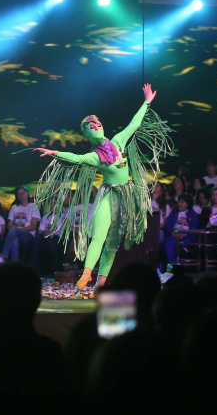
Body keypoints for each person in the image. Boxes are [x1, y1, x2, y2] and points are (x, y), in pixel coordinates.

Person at [33, 84, 172, 289]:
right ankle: (87, 272)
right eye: (91, 126)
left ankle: (101, 283)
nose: (95, 126)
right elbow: (77, 158)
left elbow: (134, 124)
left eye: (97, 124)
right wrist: (55, 153)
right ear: (87, 134)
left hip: (125, 197)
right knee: (98, 235)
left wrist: (147, 102)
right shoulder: (95, 156)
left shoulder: (118, 142)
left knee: (112, 244)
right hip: (107, 194)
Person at [0, 185, 40, 267]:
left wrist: (18, 230)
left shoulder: (33, 206)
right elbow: (9, 225)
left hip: (29, 236)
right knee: (14, 239)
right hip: (15, 234)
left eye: (23, 193)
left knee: (14, 232)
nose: (22, 195)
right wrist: (13, 228)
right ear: (17, 196)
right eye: (19, 194)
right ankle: (15, 267)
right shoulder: (14, 207)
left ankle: (2, 257)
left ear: (27, 194)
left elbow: (33, 226)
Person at [163, 193, 200, 266]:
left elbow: (194, 228)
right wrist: (172, 232)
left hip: (187, 236)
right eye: (179, 201)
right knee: (168, 242)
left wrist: (185, 234)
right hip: (174, 235)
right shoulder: (174, 212)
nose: (179, 203)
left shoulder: (193, 214)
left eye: (182, 202)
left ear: (188, 204)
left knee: (183, 245)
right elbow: (168, 225)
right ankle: (172, 265)